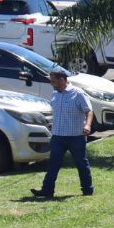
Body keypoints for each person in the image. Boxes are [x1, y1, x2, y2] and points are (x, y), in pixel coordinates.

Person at [30, 69, 94, 199]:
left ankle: (87, 189)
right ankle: (47, 190)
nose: (52, 84)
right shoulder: (55, 94)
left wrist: (87, 125)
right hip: (58, 136)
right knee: (53, 163)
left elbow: (89, 111)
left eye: (54, 81)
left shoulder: (78, 94)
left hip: (76, 136)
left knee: (81, 163)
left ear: (62, 80)